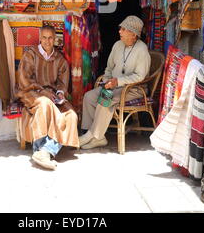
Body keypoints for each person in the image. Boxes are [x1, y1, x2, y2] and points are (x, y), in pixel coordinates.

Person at [79, 15, 151, 150]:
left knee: (106, 97)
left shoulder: (142, 50)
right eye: (120, 29)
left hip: (133, 89)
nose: (119, 31)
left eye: (123, 29)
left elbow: (140, 76)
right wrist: (107, 80)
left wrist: (118, 81)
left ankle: (92, 136)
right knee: (89, 96)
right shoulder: (118, 45)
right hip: (113, 86)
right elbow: (109, 68)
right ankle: (94, 135)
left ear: (133, 34)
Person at [16, 25, 79, 170]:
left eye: (50, 37)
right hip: (32, 92)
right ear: (40, 38)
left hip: (51, 95)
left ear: (55, 39)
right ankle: (41, 149)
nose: (47, 41)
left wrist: (60, 94)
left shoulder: (60, 59)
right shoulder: (30, 55)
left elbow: (62, 84)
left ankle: (45, 151)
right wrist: (42, 91)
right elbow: (24, 80)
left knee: (71, 115)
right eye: (44, 37)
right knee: (44, 104)